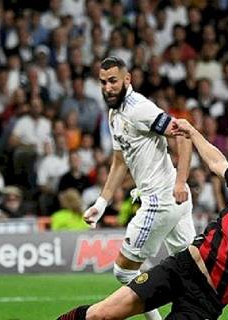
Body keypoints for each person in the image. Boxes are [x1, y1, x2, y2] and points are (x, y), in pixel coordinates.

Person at [57, 119, 228, 320]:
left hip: (206, 301)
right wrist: (194, 132)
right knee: (100, 314)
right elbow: (218, 164)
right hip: (181, 267)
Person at [83, 56, 194, 320]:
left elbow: (184, 134)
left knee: (124, 271)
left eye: (113, 81)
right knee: (193, 270)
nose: (108, 87)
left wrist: (180, 181)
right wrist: (101, 203)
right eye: (103, 82)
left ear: (127, 79)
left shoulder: (139, 108)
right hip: (174, 202)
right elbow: (120, 161)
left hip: (161, 201)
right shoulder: (114, 114)